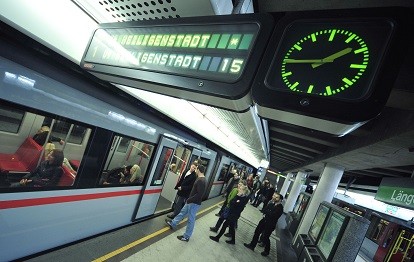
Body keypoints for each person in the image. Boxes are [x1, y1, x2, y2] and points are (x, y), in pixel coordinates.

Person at [165, 165, 207, 242]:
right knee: (182, 212)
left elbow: (199, 195)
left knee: (191, 220)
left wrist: (189, 199)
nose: (195, 171)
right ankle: (173, 223)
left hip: (194, 203)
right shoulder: (201, 179)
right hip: (190, 201)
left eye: (196, 169)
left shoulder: (201, 180)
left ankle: (186, 236)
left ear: (198, 170)